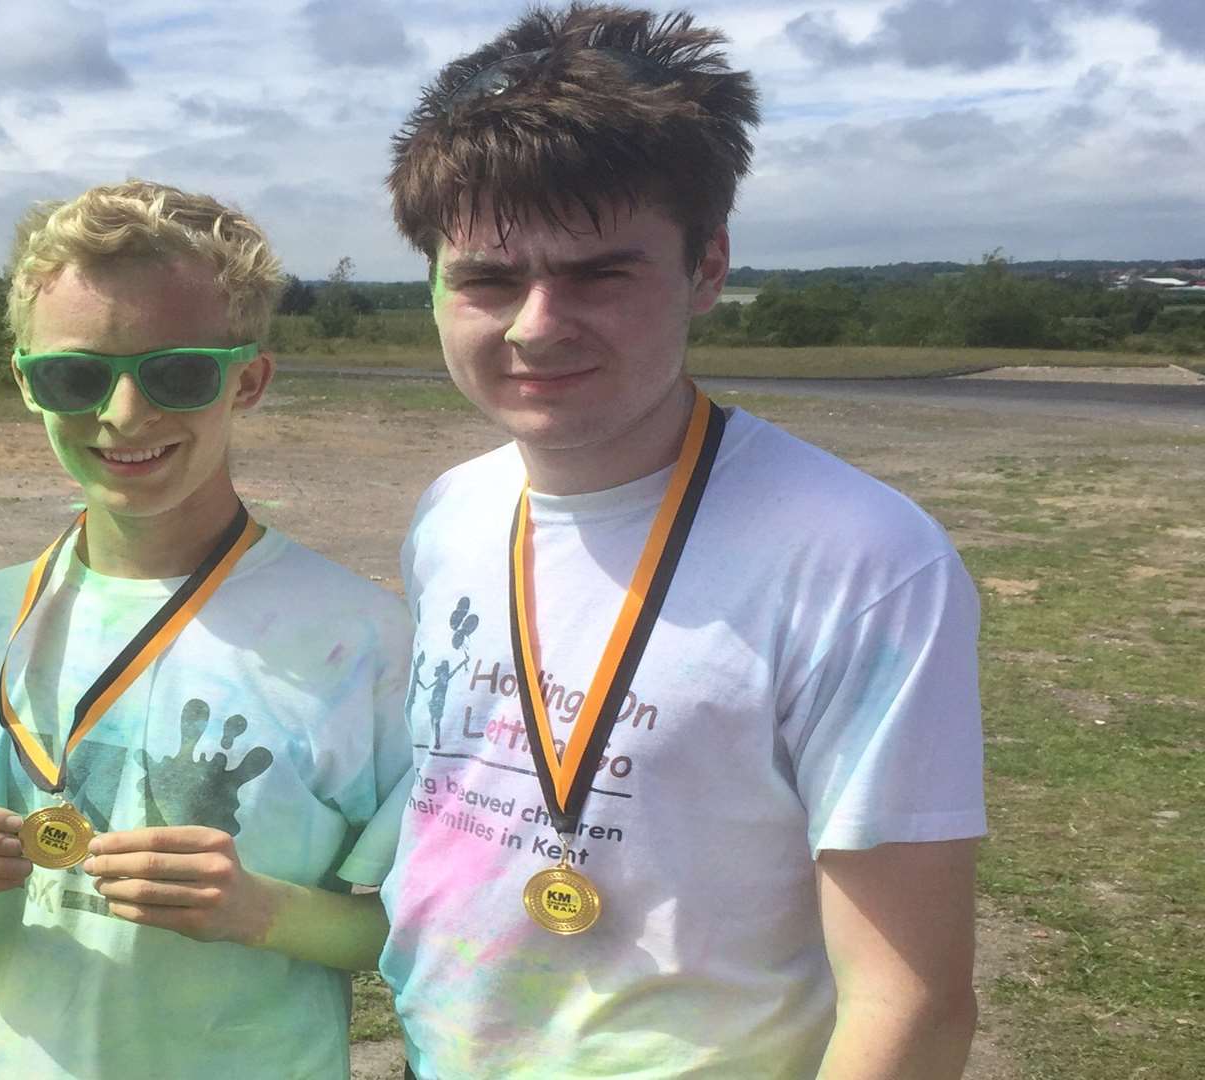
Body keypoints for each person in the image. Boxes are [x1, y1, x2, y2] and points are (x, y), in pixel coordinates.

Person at [367, 6, 986, 1077]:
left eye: (601, 273)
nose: (536, 324)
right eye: (489, 279)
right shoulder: (451, 512)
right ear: (433, 283)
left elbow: (914, 999)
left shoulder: (860, 560)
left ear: (707, 268)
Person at [0, 179, 411, 1079]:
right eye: (77, 375)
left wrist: (260, 911)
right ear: (25, 381)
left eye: (179, 372)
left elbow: (413, 927)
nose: (124, 414)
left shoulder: (364, 640)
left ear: (249, 379)